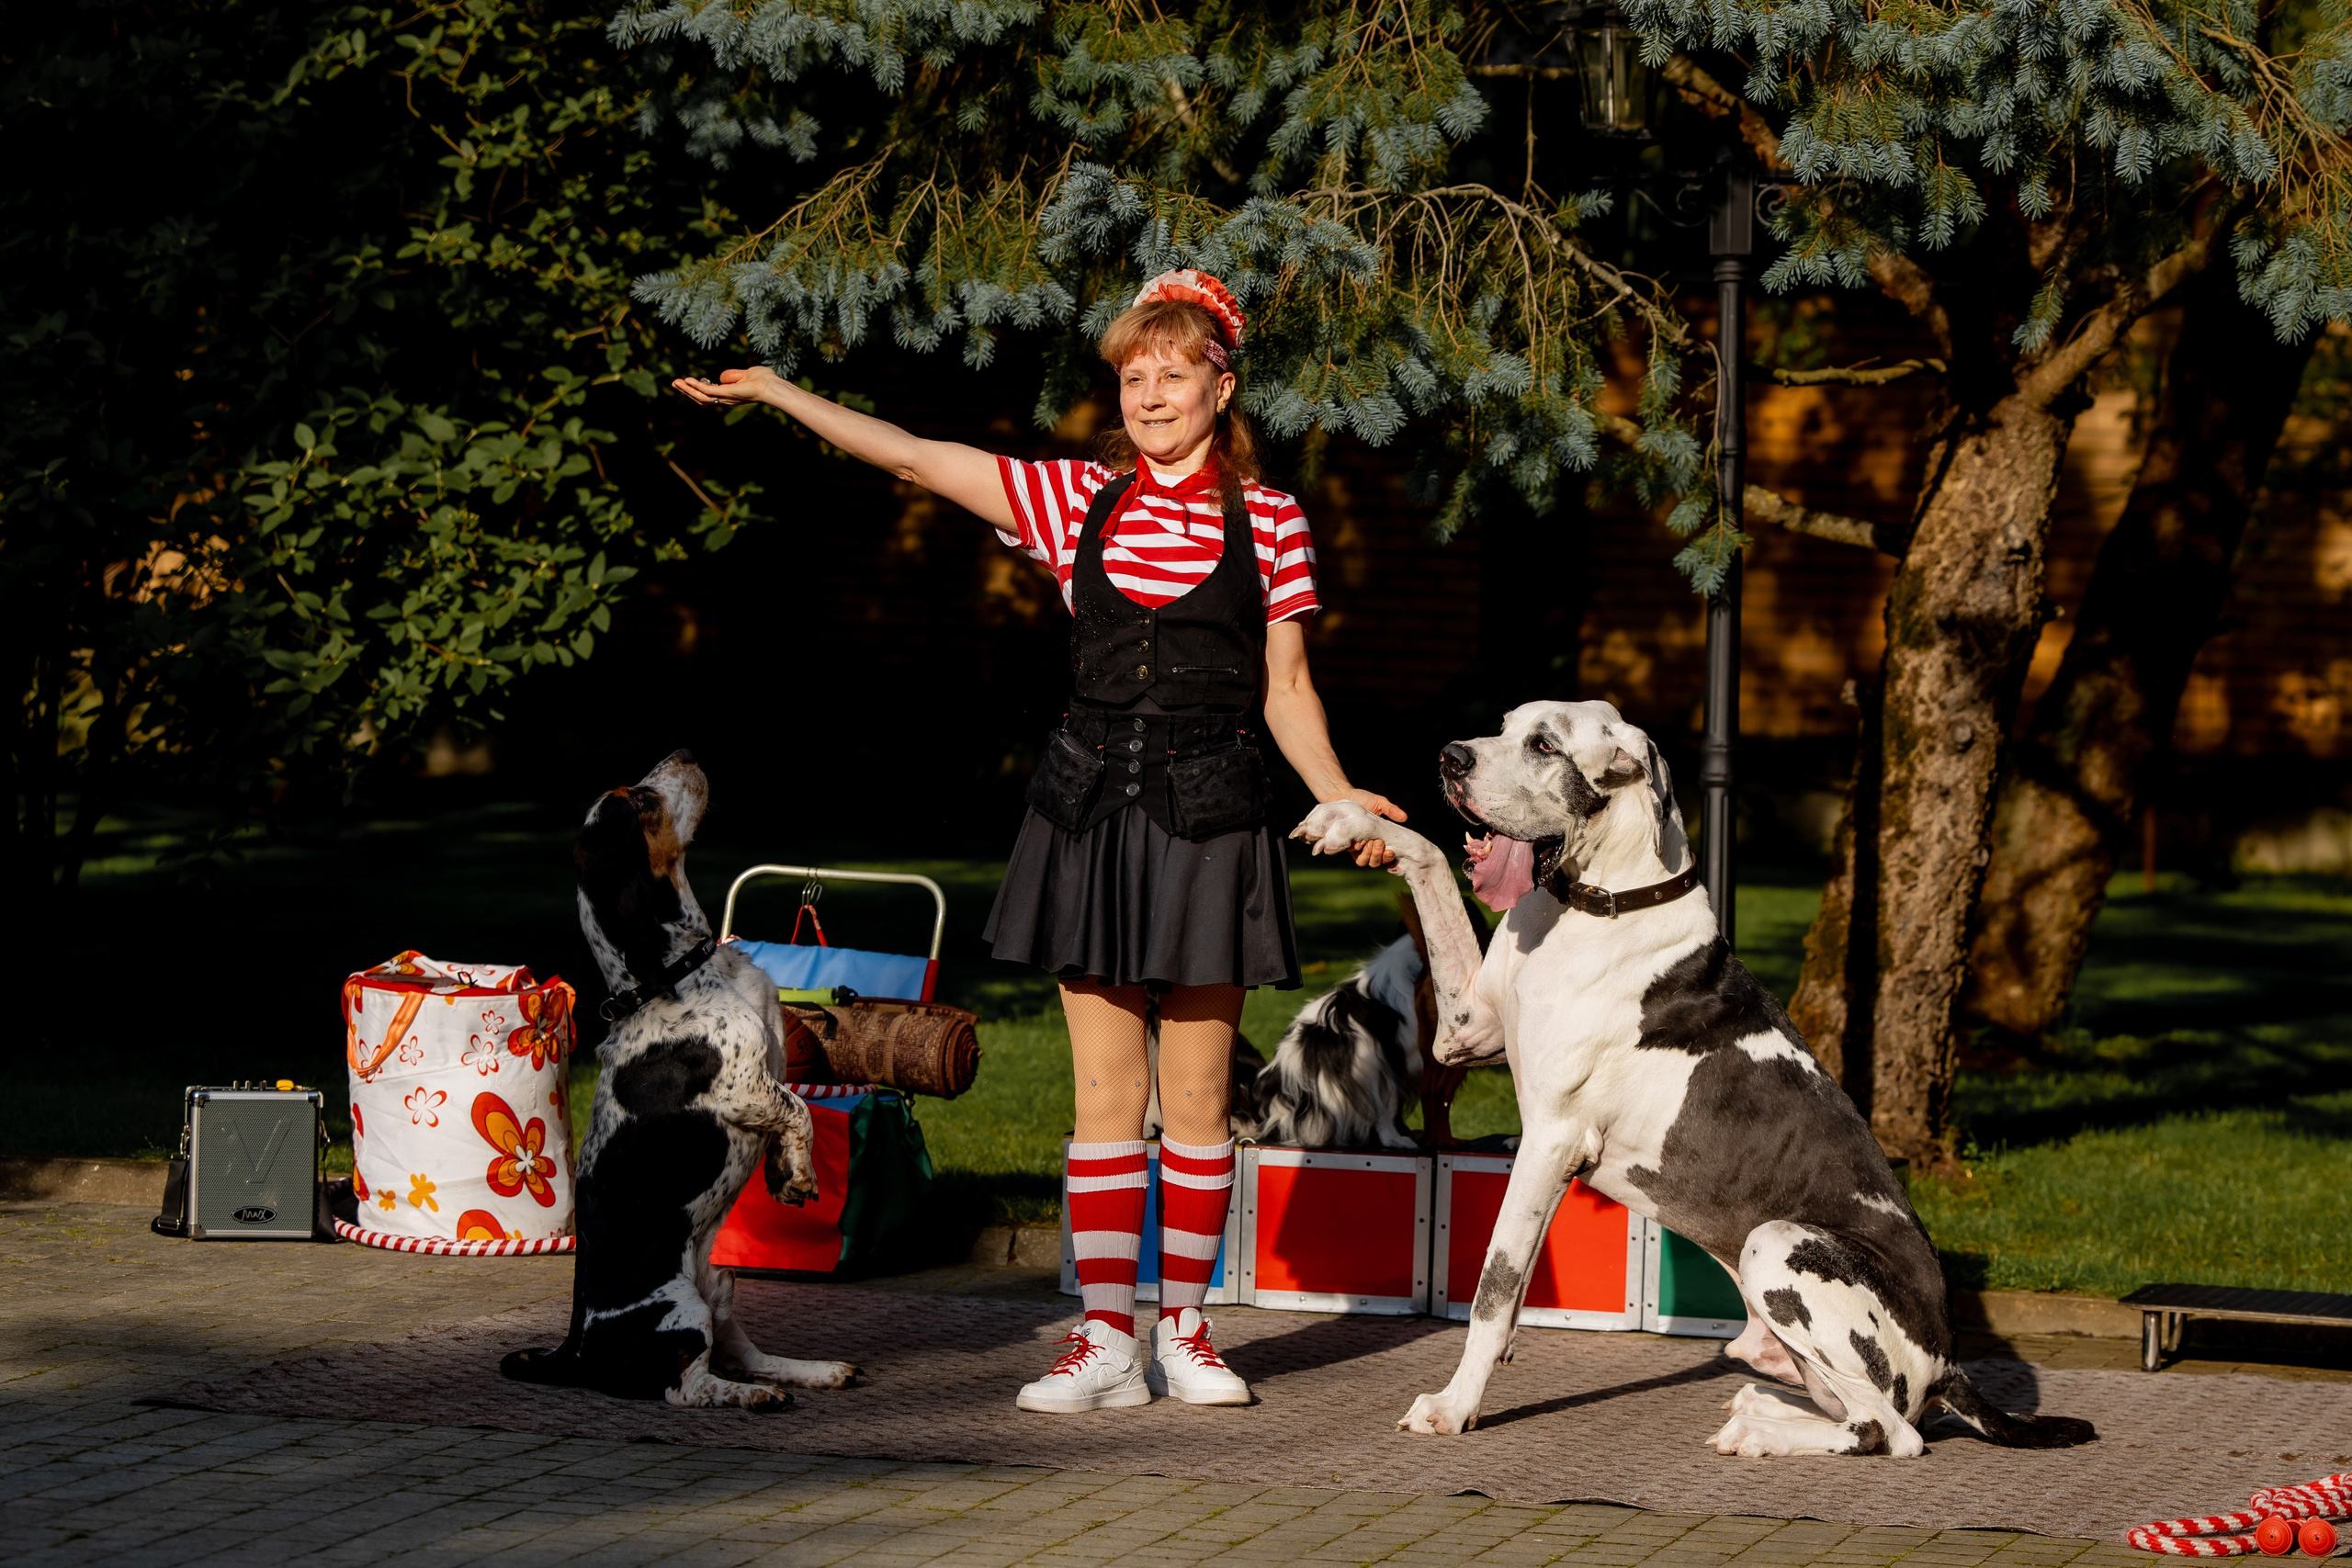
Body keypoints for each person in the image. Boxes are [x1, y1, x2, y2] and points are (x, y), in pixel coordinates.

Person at [673, 268, 1401, 1413]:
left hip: (1214, 820)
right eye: (1132, 377)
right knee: (1107, 1094)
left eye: (1173, 373)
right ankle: (1103, 1341)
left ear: (1223, 382)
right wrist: (779, 393)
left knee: (1199, 1096)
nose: (1152, 395)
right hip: (1090, 819)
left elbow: (1288, 683)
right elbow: (913, 455)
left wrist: (1340, 792)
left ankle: (1192, 1338)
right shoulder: (1075, 499)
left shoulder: (1271, 516)